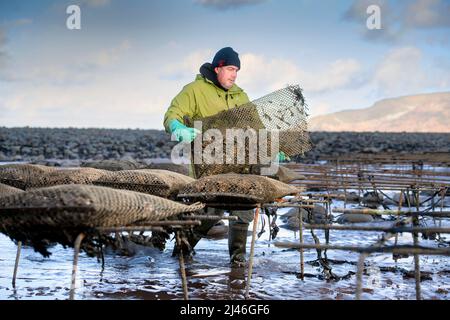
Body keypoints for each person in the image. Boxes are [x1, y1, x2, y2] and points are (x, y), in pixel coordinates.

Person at [163, 47, 254, 266]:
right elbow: (171, 115)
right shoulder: (195, 90)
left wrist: (272, 148)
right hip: (208, 168)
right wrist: (178, 128)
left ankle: (238, 260)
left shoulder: (240, 95)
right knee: (207, 214)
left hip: (239, 167)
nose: (234, 74)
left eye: (237, 70)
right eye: (230, 68)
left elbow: (256, 128)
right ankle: (182, 252)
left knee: (243, 210)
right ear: (218, 68)